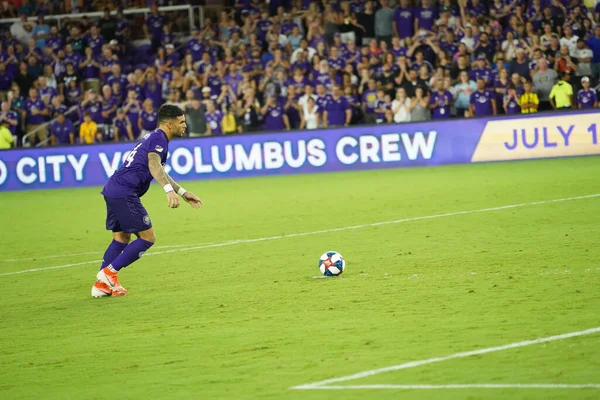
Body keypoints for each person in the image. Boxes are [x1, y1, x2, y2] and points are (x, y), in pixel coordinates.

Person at [93, 104, 203, 298]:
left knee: (121, 238)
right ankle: (108, 273)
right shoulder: (159, 139)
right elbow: (153, 164)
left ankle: (100, 286)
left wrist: (183, 192)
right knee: (147, 238)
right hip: (125, 192)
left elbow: (159, 169)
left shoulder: (154, 137)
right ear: (169, 124)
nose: (185, 125)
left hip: (113, 189)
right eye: (182, 122)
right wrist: (168, 191)